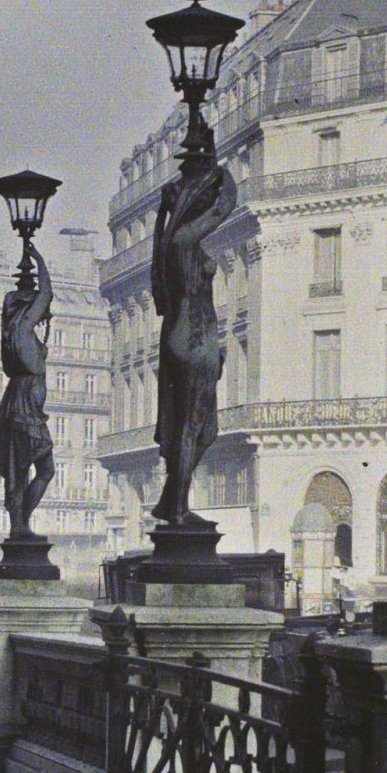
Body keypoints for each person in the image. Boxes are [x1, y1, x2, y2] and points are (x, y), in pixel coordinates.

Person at [151, 139, 237, 526]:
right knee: (192, 426)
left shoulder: (178, 241)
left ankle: (171, 501)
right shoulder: (183, 239)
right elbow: (224, 205)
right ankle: (178, 509)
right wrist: (221, 172)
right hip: (194, 337)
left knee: (207, 430)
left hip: (191, 336)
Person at [0, 245, 54, 536]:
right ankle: (20, 524)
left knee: (19, 470)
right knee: (43, 469)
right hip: (26, 409)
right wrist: (39, 258)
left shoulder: (12, 331)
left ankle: (20, 524)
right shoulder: (23, 327)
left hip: (19, 403)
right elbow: (46, 293)